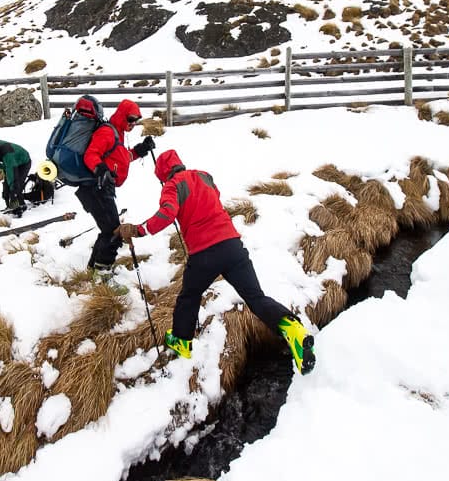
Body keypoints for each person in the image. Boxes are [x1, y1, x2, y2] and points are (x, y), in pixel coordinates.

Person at [114, 149, 316, 375]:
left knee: (189, 296)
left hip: (205, 254)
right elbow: (214, 196)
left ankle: (181, 340)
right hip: (233, 246)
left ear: (162, 174)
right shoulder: (203, 176)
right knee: (256, 298)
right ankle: (292, 328)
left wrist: (139, 230)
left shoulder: (172, 186)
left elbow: (167, 214)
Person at [77, 98, 155, 281]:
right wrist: (101, 169)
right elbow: (91, 154)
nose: (133, 124)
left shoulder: (117, 133)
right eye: (130, 119)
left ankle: (93, 269)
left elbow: (120, 158)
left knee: (108, 230)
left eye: (136, 120)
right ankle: (102, 277)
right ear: (121, 115)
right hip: (96, 188)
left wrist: (141, 150)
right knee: (114, 232)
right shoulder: (107, 132)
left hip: (101, 188)